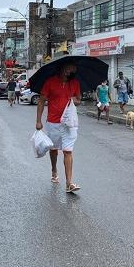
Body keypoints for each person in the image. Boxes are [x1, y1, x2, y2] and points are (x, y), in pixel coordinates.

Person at [35, 63, 82, 193]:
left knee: (68, 151)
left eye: (72, 69)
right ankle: (54, 170)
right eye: (67, 68)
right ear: (61, 68)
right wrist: (38, 121)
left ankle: (69, 183)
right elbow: (41, 101)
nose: (69, 71)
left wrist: (73, 99)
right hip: (53, 122)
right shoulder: (50, 82)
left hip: (69, 123)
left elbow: (79, 100)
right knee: (54, 149)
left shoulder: (75, 83)